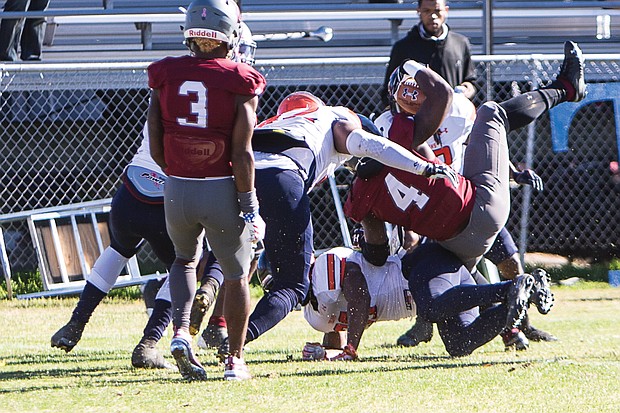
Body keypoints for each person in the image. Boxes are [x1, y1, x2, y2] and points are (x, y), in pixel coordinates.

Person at [345, 41, 584, 333]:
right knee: (493, 114)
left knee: (475, 276)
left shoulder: (363, 187)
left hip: (453, 218)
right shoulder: (398, 127)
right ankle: (565, 89)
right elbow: (456, 123)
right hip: (470, 202)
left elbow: (475, 145)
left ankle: (515, 325)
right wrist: (411, 67)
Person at [201, 87, 457, 355]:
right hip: (282, 175)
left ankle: (199, 305)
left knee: (233, 262)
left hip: (234, 177)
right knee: (292, 286)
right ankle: (235, 344)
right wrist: (422, 166)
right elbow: (372, 146)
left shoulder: (274, 122)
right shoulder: (333, 117)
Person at [375, 70, 556, 348]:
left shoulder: (456, 111)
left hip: (468, 200)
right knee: (444, 271)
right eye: (406, 96)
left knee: (509, 262)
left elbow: (481, 147)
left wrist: (512, 174)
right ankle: (426, 323)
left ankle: (521, 322)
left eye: (418, 95)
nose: (412, 101)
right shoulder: (390, 124)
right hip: (427, 212)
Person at [147, 0, 266, 381]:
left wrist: (176, 170)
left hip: (177, 186)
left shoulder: (166, 72)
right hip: (220, 187)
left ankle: (181, 331)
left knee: (183, 260)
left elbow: (155, 137)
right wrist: (249, 203)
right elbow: (242, 151)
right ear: (229, 33)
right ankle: (234, 359)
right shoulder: (240, 77)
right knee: (235, 275)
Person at [50, 127, 178, 370]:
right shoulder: (212, 96)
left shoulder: (161, 93)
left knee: (118, 249)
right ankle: (149, 344)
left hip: (129, 193)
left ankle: (76, 322)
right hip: (167, 198)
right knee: (184, 267)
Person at [401, 242, 554, 357]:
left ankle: (512, 287)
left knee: (431, 309)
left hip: (432, 262)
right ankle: (525, 295)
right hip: (451, 271)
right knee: (459, 345)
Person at [301, 246, 415, 361]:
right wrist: (323, 352)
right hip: (412, 302)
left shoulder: (326, 265)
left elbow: (360, 298)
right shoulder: (312, 316)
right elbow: (335, 331)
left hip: (409, 275)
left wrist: (350, 349)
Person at [380, 0, 476, 110]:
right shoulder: (403, 47)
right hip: (418, 120)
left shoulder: (460, 43)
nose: (433, 16)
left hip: (453, 115)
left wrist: (466, 90)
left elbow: (471, 82)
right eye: (427, 11)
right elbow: (388, 92)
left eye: (437, 10)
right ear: (418, 11)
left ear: (446, 10)